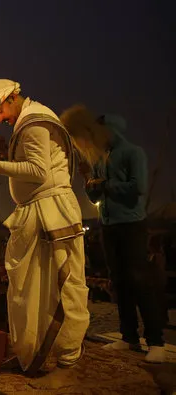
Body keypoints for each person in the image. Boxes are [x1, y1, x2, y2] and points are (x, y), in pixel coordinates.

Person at [0, 79, 90, 373]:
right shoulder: (27, 120)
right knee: (29, 288)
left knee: (64, 287)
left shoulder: (35, 122)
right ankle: (35, 352)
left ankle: (67, 353)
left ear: (12, 98)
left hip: (52, 214)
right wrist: (1, 150)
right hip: (37, 213)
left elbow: (38, 172)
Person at [60, 104, 165, 363]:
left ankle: (156, 341)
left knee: (139, 280)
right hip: (108, 225)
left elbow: (137, 187)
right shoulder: (99, 158)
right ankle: (128, 336)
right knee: (119, 281)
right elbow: (95, 194)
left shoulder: (132, 153)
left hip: (131, 225)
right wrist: (89, 183)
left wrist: (105, 184)